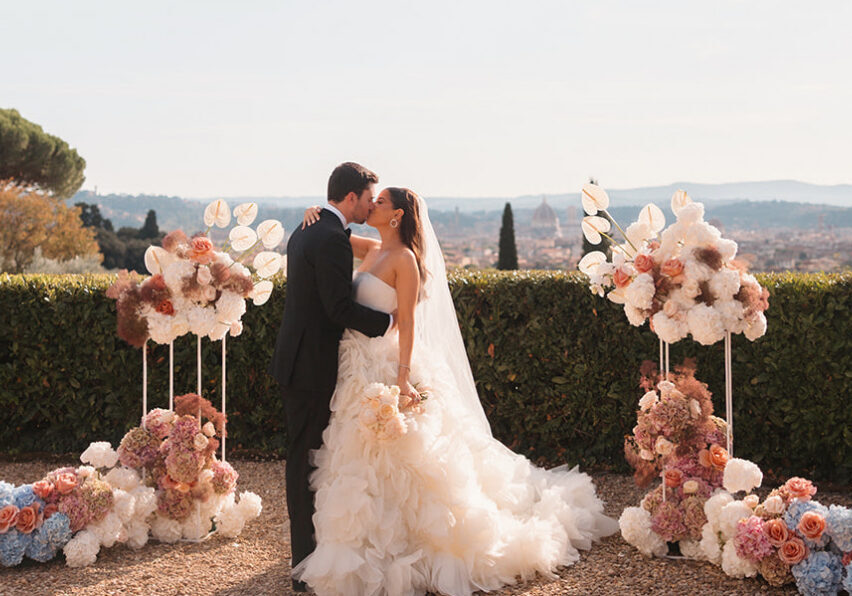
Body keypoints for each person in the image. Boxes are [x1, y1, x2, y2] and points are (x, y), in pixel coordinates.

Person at [293, 187, 618, 596]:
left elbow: (408, 323)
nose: (371, 204)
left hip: (388, 367)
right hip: (357, 367)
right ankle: (363, 545)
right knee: (359, 459)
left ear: (396, 216)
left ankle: (412, 547)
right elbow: (332, 235)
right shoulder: (371, 247)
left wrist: (403, 377)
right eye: (369, 200)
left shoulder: (405, 260)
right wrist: (316, 213)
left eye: (379, 202)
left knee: (405, 459)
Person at [268, 162, 394, 593]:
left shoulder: (313, 228)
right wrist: (388, 322)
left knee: (308, 456)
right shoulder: (328, 237)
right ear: (351, 196)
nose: (369, 206)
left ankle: (310, 552)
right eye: (367, 198)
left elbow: (358, 248)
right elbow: (339, 309)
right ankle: (303, 562)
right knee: (304, 460)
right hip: (309, 366)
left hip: (299, 359)